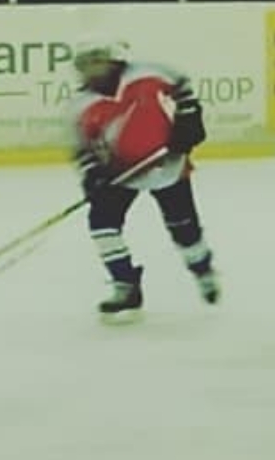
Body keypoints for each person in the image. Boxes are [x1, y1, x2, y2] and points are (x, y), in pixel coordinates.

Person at [68, 36, 219, 318]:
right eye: (86, 64)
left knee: (184, 229)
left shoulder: (146, 73)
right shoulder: (80, 105)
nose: (91, 69)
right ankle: (126, 285)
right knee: (101, 224)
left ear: (114, 59)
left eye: (97, 61)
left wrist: (189, 115)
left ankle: (202, 270)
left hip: (167, 164)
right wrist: (93, 175)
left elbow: (181, 84)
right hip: (121, 172)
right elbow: (82, 149)